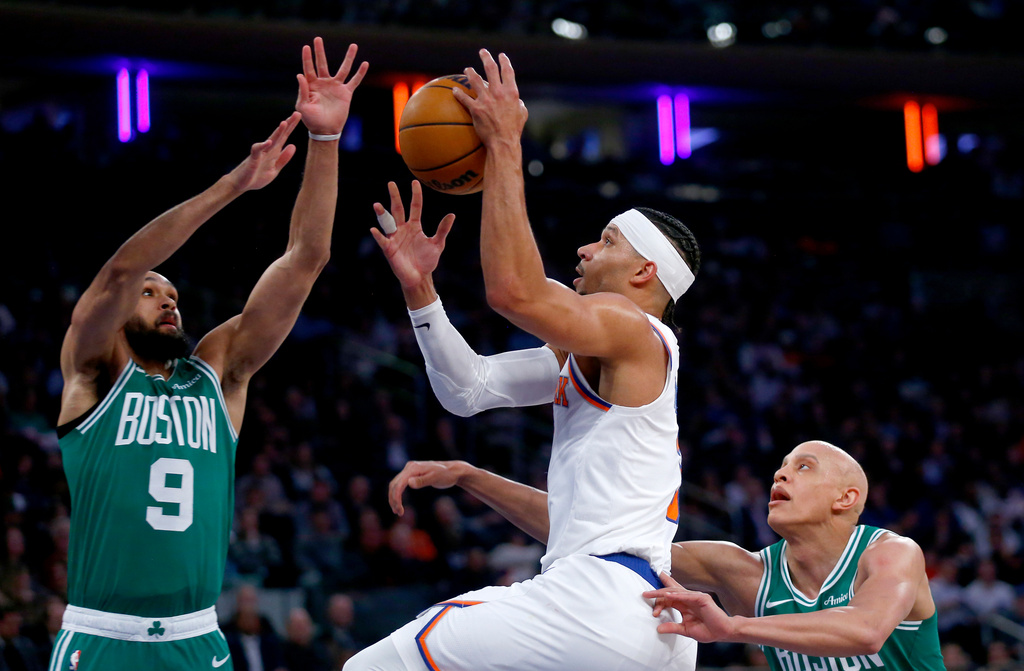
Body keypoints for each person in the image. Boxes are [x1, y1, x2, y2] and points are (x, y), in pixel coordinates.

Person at [347, 48, 701, 671]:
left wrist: (505, 145)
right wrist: (422, 296)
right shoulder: (605, 358)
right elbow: (469, 388)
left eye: (608, 240)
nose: (587, 248)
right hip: (651, 620)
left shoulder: (631, 327)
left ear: (646, 271)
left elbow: (513, 291)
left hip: (598, 598)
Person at [49, 37, 367, 671]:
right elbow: (120, 270)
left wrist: (325, 143)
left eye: (173, 295)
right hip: (105, 637)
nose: (167, 301)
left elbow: (306, 260)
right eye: (152, 293)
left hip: (200, 638)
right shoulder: (95, 374)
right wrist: (234, 185)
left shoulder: (216, 372)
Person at [387, 441, 947, 671]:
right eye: (780, 466)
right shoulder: (744, 570)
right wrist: (469, 476)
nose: (780, 473)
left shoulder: (892, 554)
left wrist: (734, 628)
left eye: (804, 467)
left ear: (848, 498)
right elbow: (594, 535)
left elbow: (868, 630)